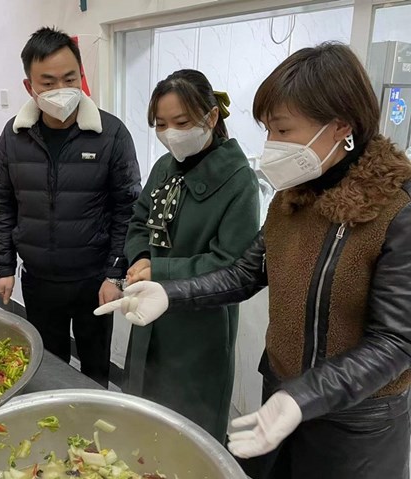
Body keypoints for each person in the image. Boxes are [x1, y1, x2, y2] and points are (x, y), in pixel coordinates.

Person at [96, 42, 411, 479]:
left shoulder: (395, 210)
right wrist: (170, 293)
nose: (271, 145)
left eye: (282, 130)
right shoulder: (294, 196)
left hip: (354, 421)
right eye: (268, 130)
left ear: (341, 126)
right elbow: (246, 272)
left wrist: (302, 397)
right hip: (280, 392)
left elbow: (396, 341)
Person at [0, 27, 141, 387]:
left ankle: (95, 422)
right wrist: (4, 267)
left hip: (94, 280)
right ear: (30, 86)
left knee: (95, 367)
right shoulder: (14, 135)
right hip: (39, 279)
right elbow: (4, 203)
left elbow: (127, 210)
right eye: (48, 82)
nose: (61, 89)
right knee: (48, 363)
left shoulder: (111, 134)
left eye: (70, 79)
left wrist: (115, 274)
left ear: (81, 76)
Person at [123, 69, 259, 443]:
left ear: (211, 117)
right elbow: (139, 221)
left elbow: (232, 263)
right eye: (161, 124)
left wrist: (159, 269)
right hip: (150, 314)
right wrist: (140, 258)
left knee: (189, 429)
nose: (171, 133)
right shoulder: (164, 168)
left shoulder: (238, 181)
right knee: (142, 414)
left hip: (200, 326)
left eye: (181, 123)